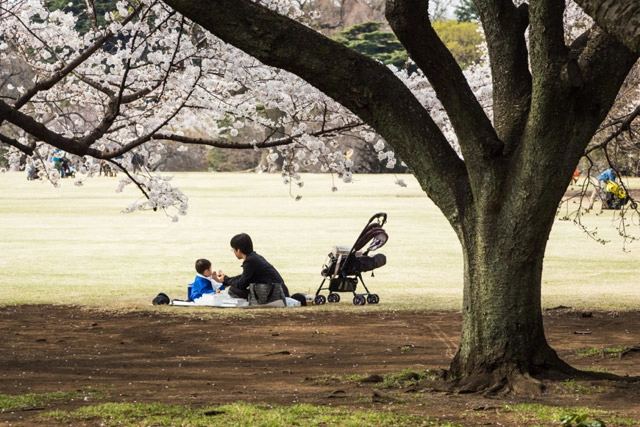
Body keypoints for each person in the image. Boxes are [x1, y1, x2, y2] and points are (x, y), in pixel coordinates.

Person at [215, 233, 289, 299]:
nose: (233, 252)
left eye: (233, 249)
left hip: (273, 294)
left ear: (238, 250)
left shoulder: (249, 261)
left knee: (233, 290)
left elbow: (242, 284)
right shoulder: (255, 257)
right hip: (280, 291)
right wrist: (225, 280)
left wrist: (226, 279)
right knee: (234, 289)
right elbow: (244, 277)